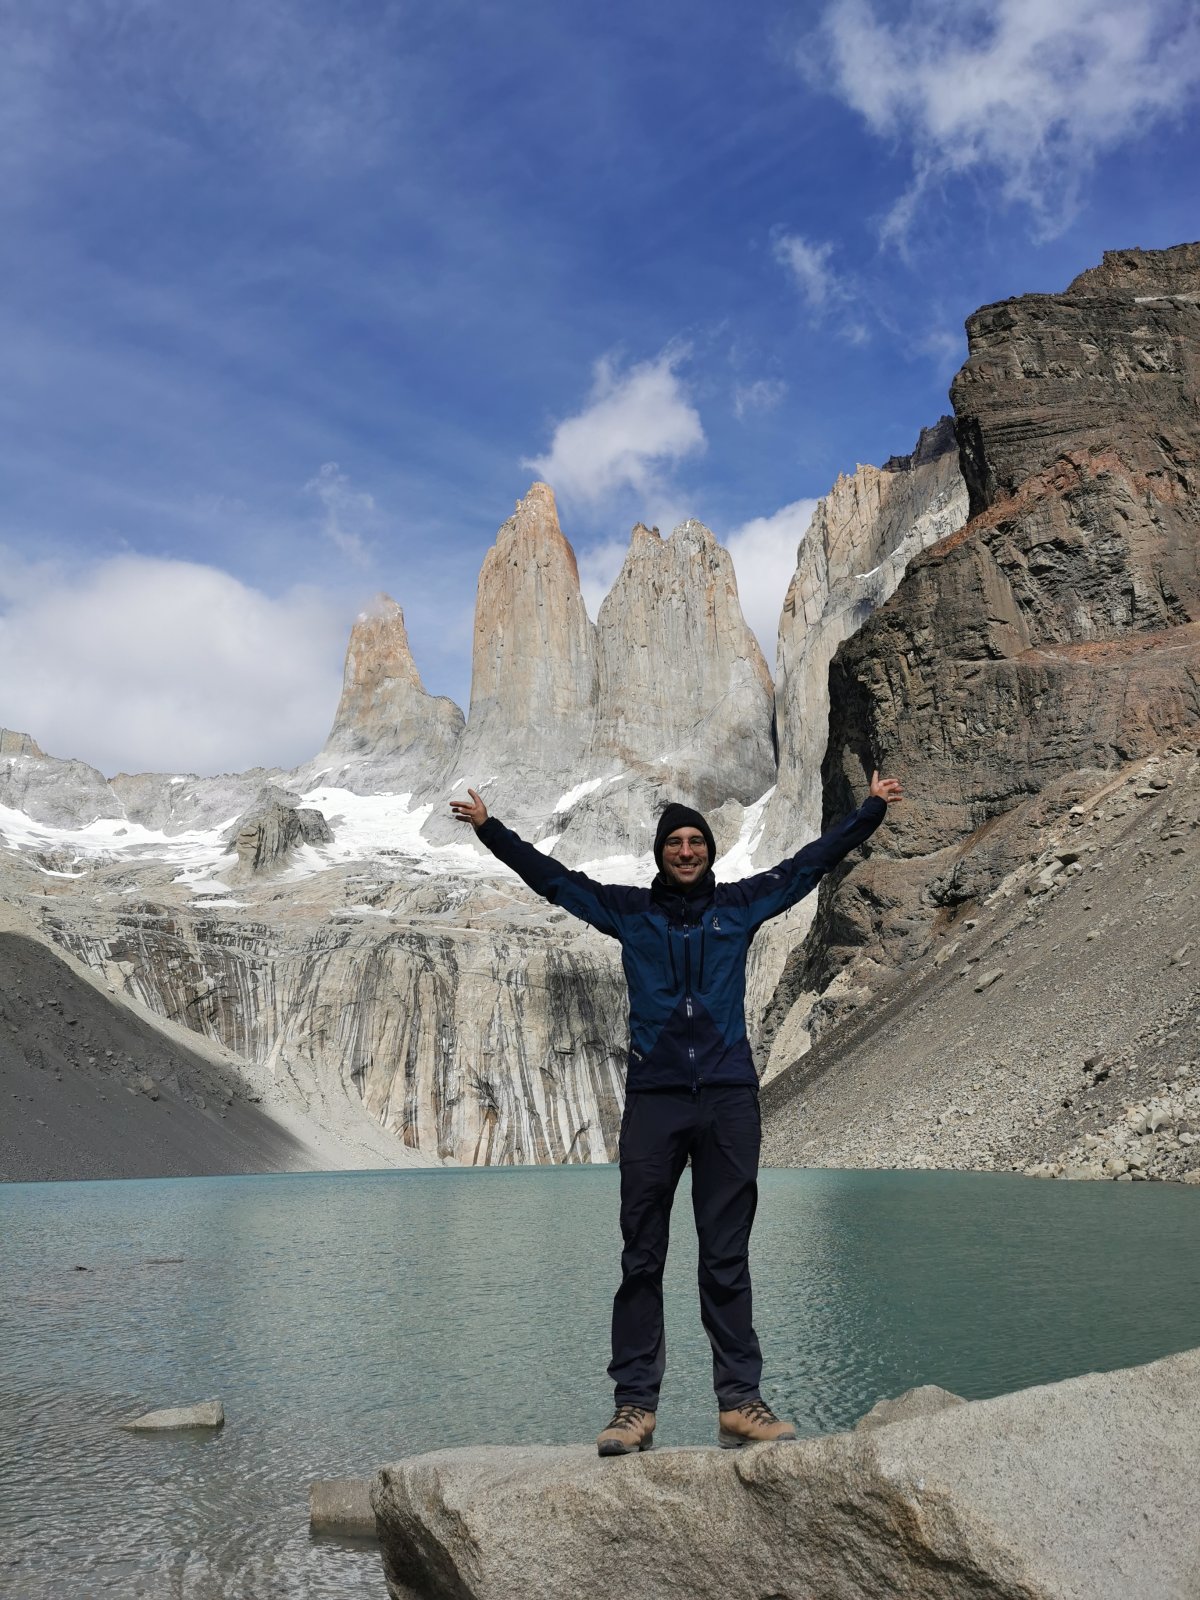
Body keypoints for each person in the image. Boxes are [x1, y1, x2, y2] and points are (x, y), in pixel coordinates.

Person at [451, 770, 902, 1455]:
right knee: (641, 1257)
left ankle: (739, 1403)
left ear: (709, 851)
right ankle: (634, 1407)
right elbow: (555, 881)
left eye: (696, 842)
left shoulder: (742, 905)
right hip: (655, 1100)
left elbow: (809, 865)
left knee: (726, 1257)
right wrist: (491, 830)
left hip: (727, 1099)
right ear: (660, 853)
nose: (686, 852)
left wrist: (868, 811)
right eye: (674, 843)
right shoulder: (629, 911)